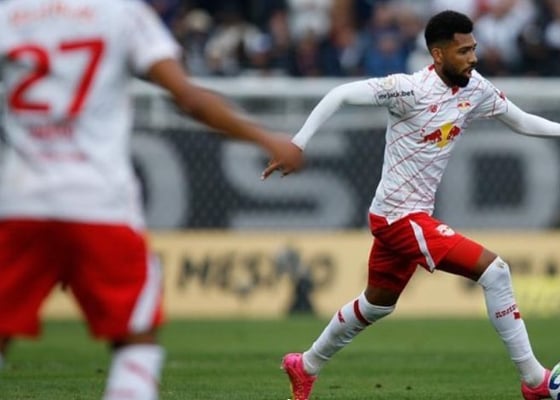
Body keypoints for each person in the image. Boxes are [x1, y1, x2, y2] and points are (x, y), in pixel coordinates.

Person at [0, 0, 302, 399]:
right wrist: (265, 137)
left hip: (20, 202)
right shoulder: (121, 14)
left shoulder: (9, 15)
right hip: (99, 204)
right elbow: (188, 98)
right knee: (136, 339)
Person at [262, 10, 558, 400]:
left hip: (399, 216)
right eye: (463, 51)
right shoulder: (408, 90)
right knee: (496, 272)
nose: (473, 58)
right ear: (438, 54)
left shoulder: (475, 88)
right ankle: (535, 381)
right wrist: (298, 143)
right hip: (400, 218)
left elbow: (521, 121)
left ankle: (305, 365)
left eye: (474, 49)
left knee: (376, 305)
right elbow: (340, 94)